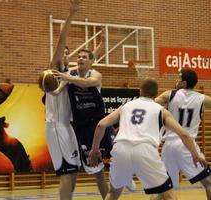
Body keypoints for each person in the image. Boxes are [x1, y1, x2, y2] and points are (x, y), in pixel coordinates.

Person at [88, 78, 207, 200]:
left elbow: (101, 125)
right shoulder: (161, 110)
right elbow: (184, 135)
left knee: (113, 193)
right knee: (169, 195)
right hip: (145, 149)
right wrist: (195, 155)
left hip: (120, 149)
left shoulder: (125, 106)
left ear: (140, 91)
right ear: (156, 94)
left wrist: (95, 149)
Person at [54, 48, 135, 198]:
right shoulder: (70, 74)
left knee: (118, 151)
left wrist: (68, 77)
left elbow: (89, 83)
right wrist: (51, 85)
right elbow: (57, 91)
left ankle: (126, 175)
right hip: (82, 127)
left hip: (100, 122)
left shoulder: (95, 74)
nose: (80, 59)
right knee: (97, 172)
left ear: (91, 62)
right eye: (78, 57)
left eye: (84, 57)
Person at [41, 1, 81, 200]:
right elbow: (60, 40)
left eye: (67, 53)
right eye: (62, 53)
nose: (64, 55)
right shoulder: (54, 71)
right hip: (56, 126)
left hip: (67, 126)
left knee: (73, 172)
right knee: (66, 174)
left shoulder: (69, 74)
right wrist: (71, 14)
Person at [151, 69, 211, 200]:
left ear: (184, 83)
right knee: (208, 183)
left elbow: (150, 104)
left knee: (163, 189)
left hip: (169, 146)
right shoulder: (203, 99)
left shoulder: (169, 95)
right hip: (187, 145)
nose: (176, 81)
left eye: (179, 78)